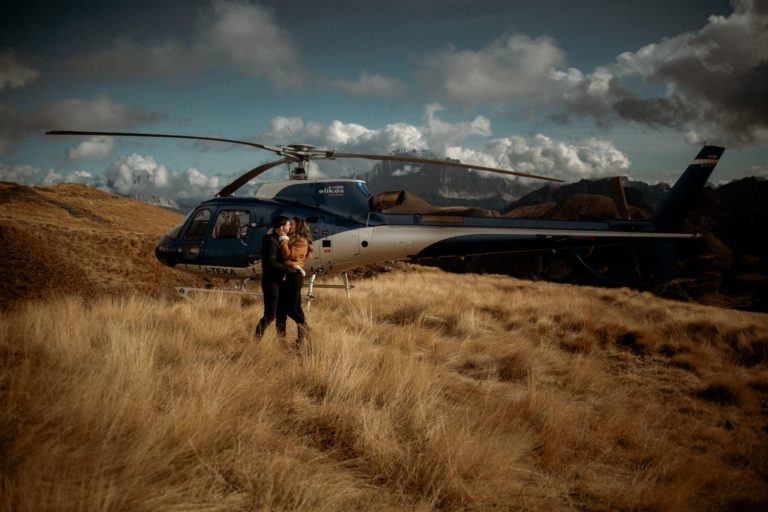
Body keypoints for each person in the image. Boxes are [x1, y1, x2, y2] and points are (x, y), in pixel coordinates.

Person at [253, 216, 293, 340]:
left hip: (280, 281)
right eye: (288, 225)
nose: (290, 227)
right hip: (271, 282)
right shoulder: (271, 241)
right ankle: (256, 341)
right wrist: (288, 269)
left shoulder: (281, 240)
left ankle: (281, 341)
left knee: (282, 314)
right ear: (281, 227)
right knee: (270, 315)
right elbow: (270, 263)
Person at [276, 217, 312, 345]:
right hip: (287, 275)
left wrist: (283, 239)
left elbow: (288, 255)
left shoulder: (301, 241)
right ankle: (285, 340)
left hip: (294, 277)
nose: (289, 226)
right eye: (289, 224)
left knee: (291, 308)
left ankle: (306, 330)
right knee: (284, 309)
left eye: (292, 224)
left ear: (299, 226)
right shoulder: (291, 239)